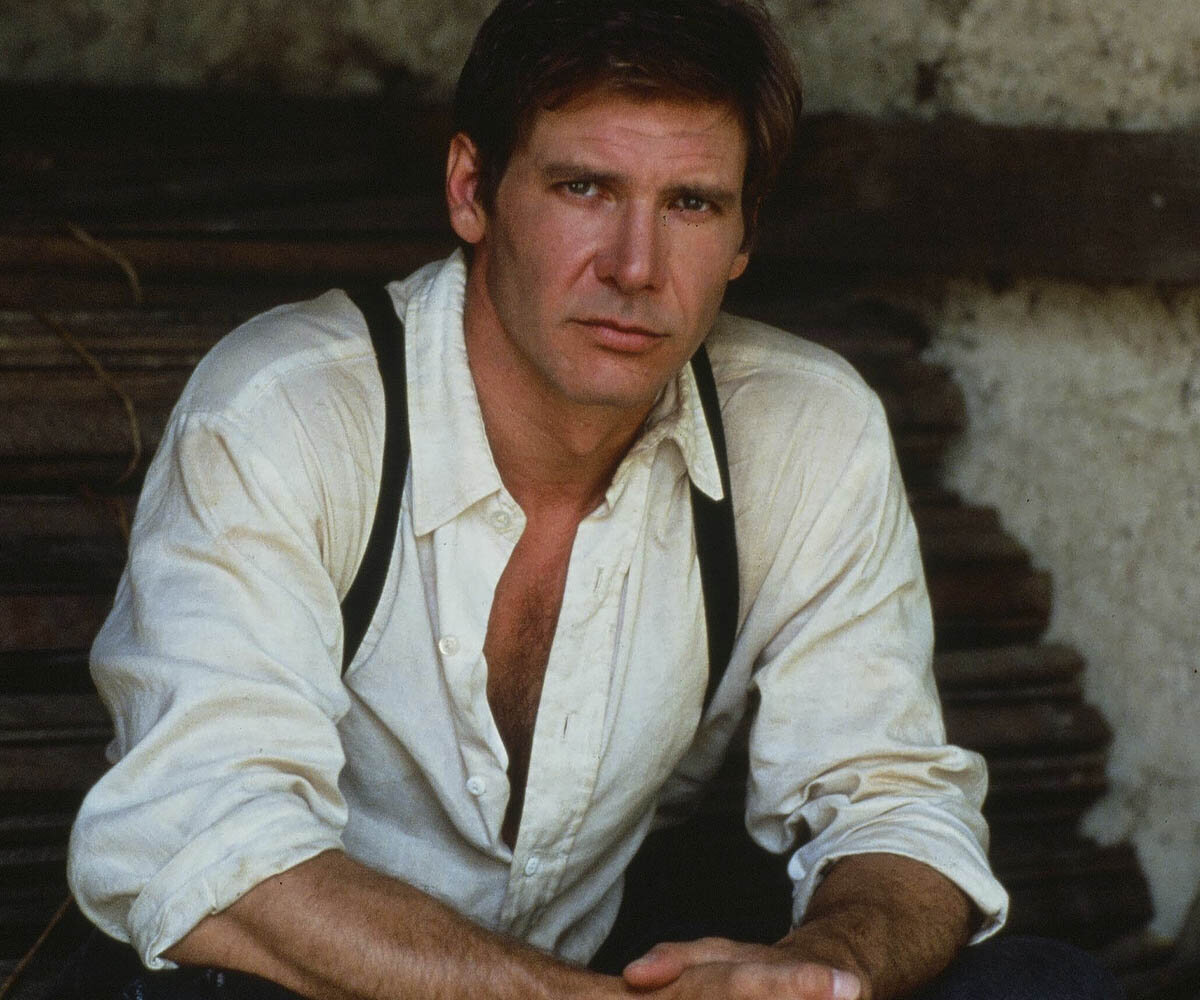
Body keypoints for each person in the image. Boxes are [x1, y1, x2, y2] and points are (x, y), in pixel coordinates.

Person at [65, 1, 1120, 998]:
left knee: (1044, 987)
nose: (635, 267)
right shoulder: (286, 412)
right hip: (313, 983)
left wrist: (818, 972)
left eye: (691, 204)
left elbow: (892, 801)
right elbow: (205, 844)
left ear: (744, 236)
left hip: (596, 962)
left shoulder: (806, 429)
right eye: (585, 188)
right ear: (471, 191)